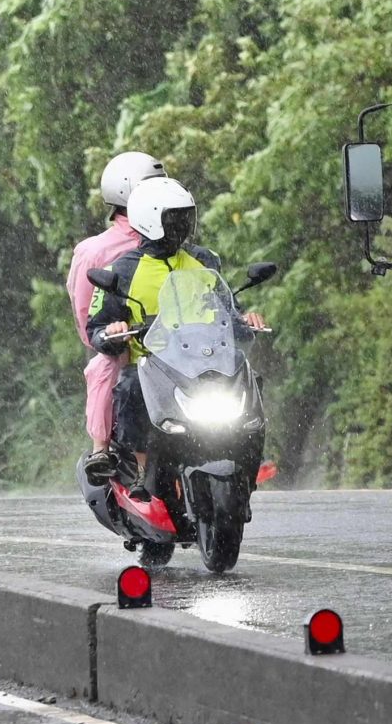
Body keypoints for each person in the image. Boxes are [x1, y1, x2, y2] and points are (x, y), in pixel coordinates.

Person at [88, 177, 259, 488]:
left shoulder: (205, 260)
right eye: (174, 218)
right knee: (129, 386)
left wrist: (245, 321)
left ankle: (249, 460)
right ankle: (141, 471)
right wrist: (112, 331)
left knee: (249, 377)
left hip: (206, 362)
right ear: (150, 219)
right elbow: (96, 328)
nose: (183, 225)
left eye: (185, 216)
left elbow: (228, 310)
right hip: (154, 367)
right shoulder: (121, 271)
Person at [72, 151, 160, 475]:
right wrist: (110, 334)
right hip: (126, 342)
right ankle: (102, 449)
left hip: (176, 341)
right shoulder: (96, 251)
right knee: (106, 365)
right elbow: (88, 314)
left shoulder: (172, 242)